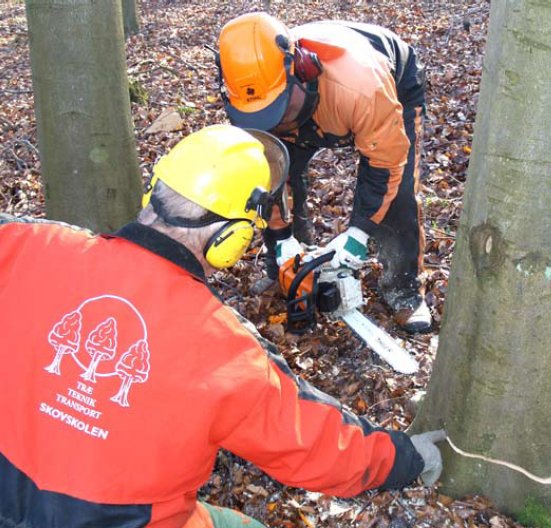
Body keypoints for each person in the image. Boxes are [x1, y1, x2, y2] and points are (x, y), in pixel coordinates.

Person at [0, 125, 445, 528]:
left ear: (154, 190)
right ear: (230, 239)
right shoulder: (224, 351)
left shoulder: (24, 245)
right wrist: (406, 459)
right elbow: (313, 443)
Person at [216, 12, 431, 333]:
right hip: (320, 101)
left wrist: (357, 235)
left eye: (280, 109)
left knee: (397, 194)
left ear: (301, 69)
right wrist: (282, 241)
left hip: (387, 86)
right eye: (262, 115)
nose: (276, 122)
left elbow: (386, 166)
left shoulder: (362, 87)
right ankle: (286, 270)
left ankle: (404, 291)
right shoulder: (252, 91)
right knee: (273, 174)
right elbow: (268, 179)